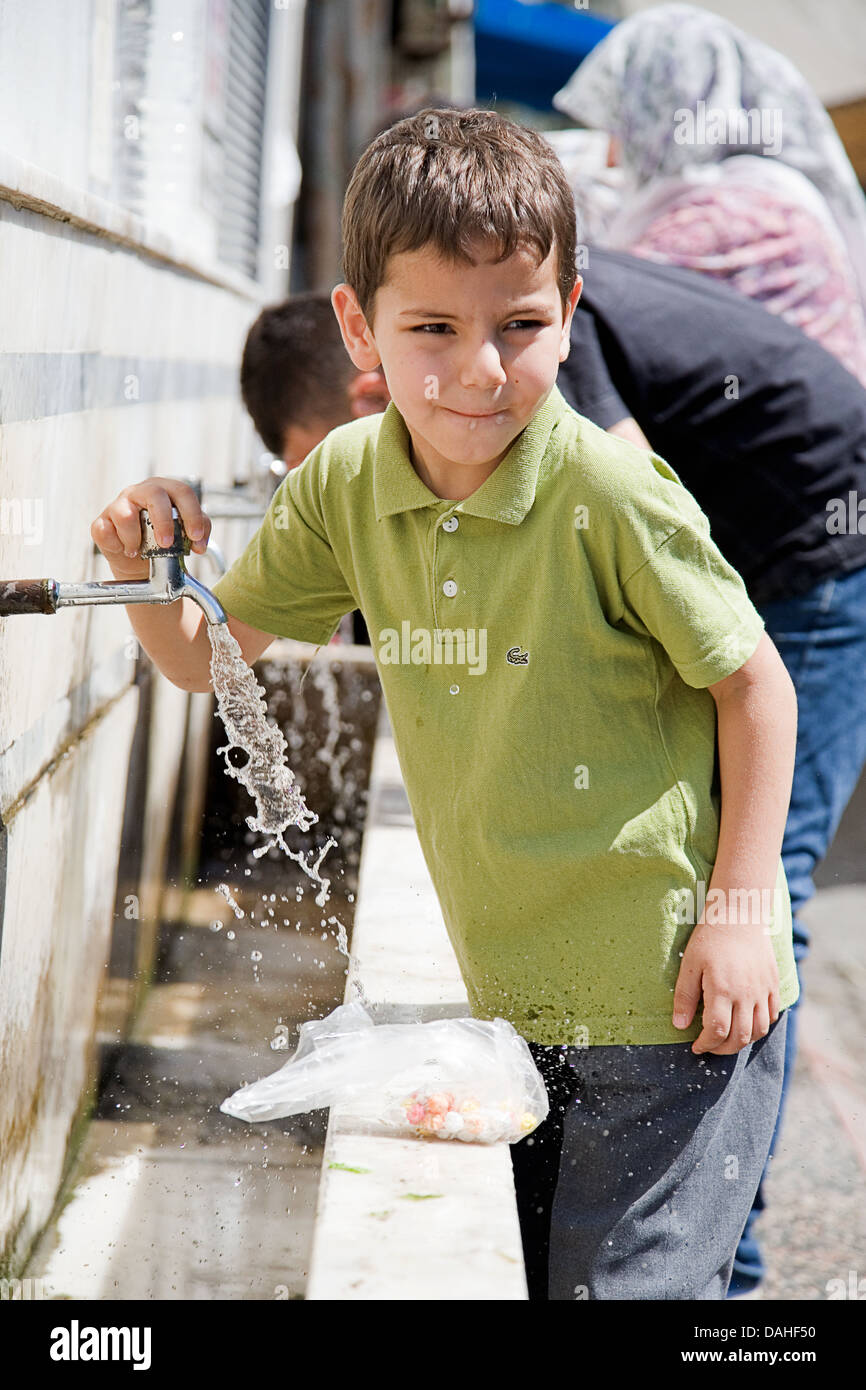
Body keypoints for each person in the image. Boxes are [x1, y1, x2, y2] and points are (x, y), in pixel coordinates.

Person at [91, 107, 800, 1300]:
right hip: (508, 1010)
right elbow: (204, 657)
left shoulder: (609, 491)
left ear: (567, 313)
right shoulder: (345, 483)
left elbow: (754, 683)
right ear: (359, 326)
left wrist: (738, 909)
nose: (479, 370)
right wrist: (134, 569)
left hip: (668, 999)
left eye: (519, 326)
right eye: (432, 328)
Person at [532, 245, 866, 1300]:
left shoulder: (533, 318)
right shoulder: (509, 291)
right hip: (768, 538)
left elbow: (640, 505)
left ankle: (732, 1260)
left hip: (818, 551)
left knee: (760, 888)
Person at [552, 3, 866, 388]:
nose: (613, 153)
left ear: (658, 115)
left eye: (623, 125)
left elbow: (585, 310)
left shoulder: (733, 214)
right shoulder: (759, 193)